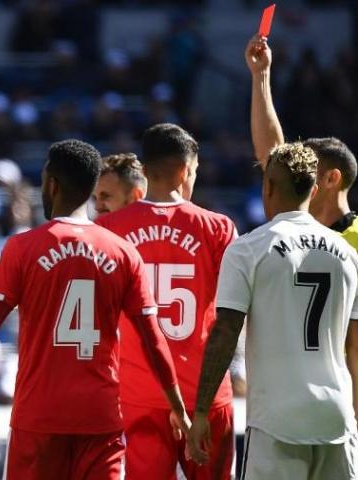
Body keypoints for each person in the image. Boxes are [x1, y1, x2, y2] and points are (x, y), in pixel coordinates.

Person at [0, 139, 190, 480]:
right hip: (100, 419)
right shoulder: (124, 253)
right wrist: (178, 406)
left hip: (39, 419)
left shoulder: (23, 247)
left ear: (51, 184)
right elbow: (153, 339)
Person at [246, 35, 358, 479]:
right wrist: (261, 77)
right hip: (292, 394)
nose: (296, 172)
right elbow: (272, 154)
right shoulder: (297, 225)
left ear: (330, 179)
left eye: (308, 168)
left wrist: (352, 368)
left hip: (342, 396)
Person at [188, 143, 358, 480]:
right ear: (313, 190)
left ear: (267, 187)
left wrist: (201, 412)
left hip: (277, 421)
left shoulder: (248, 249)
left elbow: (225, 333)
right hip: (337, 417)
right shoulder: (347, 253)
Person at [97, 124, 237, 480]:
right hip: (203, 394)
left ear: (144, 170)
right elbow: (232, 315)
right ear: (184, 170)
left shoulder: (110, 229)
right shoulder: (218, 228)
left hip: (137, 391)